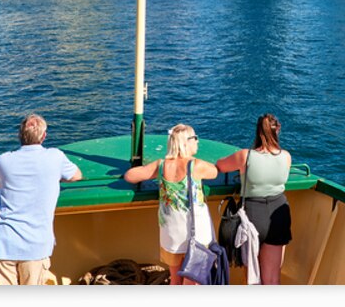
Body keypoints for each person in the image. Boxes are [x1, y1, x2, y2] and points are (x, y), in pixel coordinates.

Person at [0, 114, 82, 285]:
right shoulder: (55, 157)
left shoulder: (4, 160)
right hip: (36, 246)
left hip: (3, 243)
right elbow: (76, 175)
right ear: (44, 136)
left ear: (20, 135)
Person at [124, 123, 218, 285]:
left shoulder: (160, 165)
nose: (198, 142)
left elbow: (130, 176)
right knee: (192, 282)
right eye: (195, 138)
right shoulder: (196, 165)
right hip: (195, 234)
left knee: (175, 279)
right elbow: (215, 172)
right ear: (186, 142)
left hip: (171, 233)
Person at [216, 113, 292, 285]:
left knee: (252, 277)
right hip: (278, 214)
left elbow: (220, 165)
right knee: (272, 278)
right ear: (277, 130)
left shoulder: (245, 156)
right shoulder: (286, 157)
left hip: (253, 215)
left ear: (258, 132)